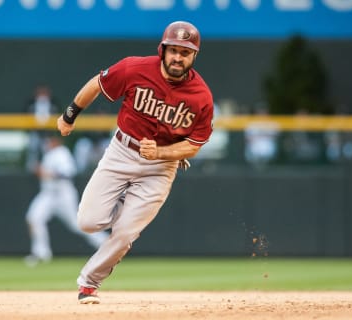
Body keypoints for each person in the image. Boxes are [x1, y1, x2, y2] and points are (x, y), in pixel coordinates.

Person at [56, 21, 214, 304]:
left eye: (185, 52)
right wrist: (70, 115)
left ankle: (89, 284)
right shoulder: (134, 68)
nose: (178, 57)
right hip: (121, 151)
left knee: (126, 232)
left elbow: (195, 145)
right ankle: (129, 208)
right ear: (163, 50)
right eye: (174, 50)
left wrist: (167, 154)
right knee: (88, 222)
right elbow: (97, 83)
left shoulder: (201, 96)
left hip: (161, 167)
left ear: (194, 56)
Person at [24, 135, 109, 267]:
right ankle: (41, 253)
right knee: (33, 218)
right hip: (48, 194)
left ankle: (105, 244)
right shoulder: (49, 154)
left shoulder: (62, 153)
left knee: (77, 225)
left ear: (56, 141)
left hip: (63, 195)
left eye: (50, 140)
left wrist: (47, 173)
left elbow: (68, 174)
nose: (47, 143)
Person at [24, 85, 59, 172]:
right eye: (40, 93)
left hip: (47, 135)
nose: (42, 96)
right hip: (35, 134)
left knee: (48, 148)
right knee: (32, 143)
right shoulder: (31, 107)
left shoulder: (53, 107)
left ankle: (48, 168)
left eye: (44, 93)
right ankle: (30, 169)